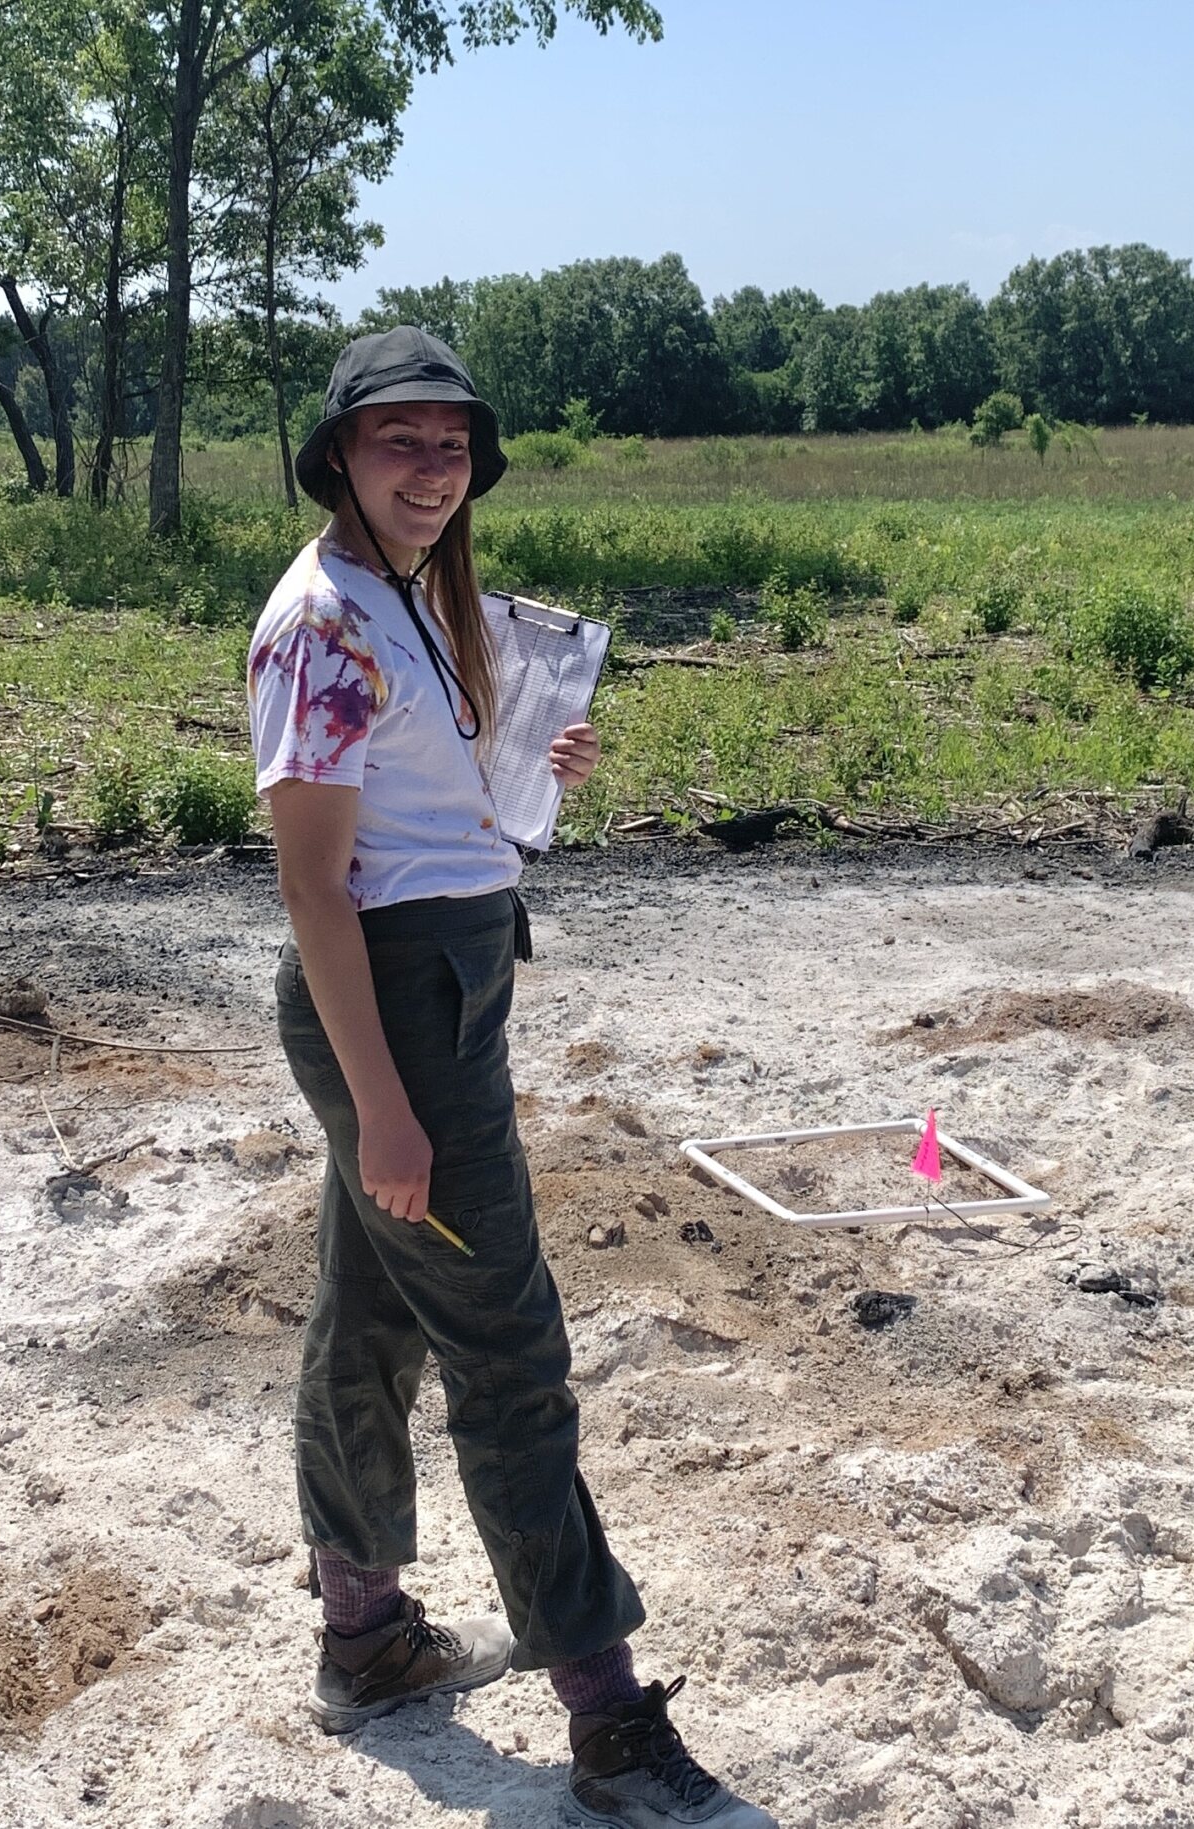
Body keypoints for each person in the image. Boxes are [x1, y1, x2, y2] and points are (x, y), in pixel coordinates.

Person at [248, 326, 774, 1829]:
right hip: (397, 1010)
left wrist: (536, 763)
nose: (433, 468)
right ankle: (608, 1722)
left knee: (370, 1320)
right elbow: (315, 888)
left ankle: (365, 1639)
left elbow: (427, 804)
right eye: (399, 441)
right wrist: (387, 1106)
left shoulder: (409, 597)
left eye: (453, 444)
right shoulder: (321, 624)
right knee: (510, 1354)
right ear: (339, 456)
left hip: (443, 986)